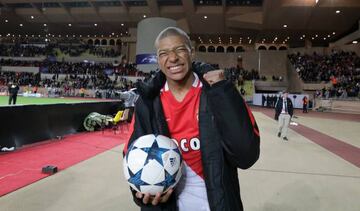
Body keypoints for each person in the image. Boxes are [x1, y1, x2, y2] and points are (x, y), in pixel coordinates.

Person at [123, 27, 260, 211]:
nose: (172, 58)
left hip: (219, 204)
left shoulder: (217, 93)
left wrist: (224, 93)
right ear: (158, 59)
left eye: (179, 49)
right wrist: (141, 194)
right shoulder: (147, 104)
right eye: (164, 53)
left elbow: (246, 156)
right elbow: (132, 156)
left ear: (191, 52)